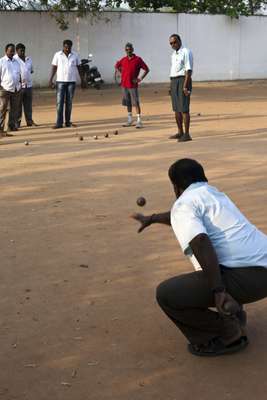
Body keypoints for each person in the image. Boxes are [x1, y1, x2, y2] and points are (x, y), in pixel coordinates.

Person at [132, 158, 267, 357]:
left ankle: (228, 333)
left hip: (250, 278)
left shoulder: (184, 204)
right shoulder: (214, 195)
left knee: (167, 294)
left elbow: (200, 241)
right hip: (259, 269)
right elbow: (180, 216)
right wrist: (152, 219)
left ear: (176, 187)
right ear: (203, 177)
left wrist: (219, 291)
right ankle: (235, 315)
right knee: (221, 265)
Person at [49, 39, 84, 129]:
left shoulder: (75, 55)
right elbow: (54, 67)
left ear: (71, 47)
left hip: (71, 82)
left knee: (69, 103)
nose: (67, 48)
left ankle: (68, 122)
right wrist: (50, 79)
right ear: (63, 46)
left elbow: (79, 68)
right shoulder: (57, 55)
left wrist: (83, 80)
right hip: (60, 81)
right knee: (59, 102)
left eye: (69, 47)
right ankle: (59, 123)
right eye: (65, 46)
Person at [115, 43, 149, 129]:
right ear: (125, 50)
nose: (128, 51)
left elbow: (146, 69)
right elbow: (117, 66)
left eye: (129, 49)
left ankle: (139, 121)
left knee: (136, 102)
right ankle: (130, 120)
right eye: (126, 50)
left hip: (133, 85)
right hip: (124, 85)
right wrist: (121, 72)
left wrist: (140, 78)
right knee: (128, 103)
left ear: (132, 49)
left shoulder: (138, 59)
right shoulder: (123, 60)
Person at [169, 34, 193, 142]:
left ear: (179, 41)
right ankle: (180, 132)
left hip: (183, 80)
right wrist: (171, 86)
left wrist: (185, 86)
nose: (173, 45)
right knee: (176, 109)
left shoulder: (186, 52)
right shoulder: (173, 54)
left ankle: (187, 134)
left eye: (174, 42)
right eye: (171, 43)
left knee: (184, 109)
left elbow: (188, 70)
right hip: (174, 81)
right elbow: (173, 70)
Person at [0, 43, 21, 136]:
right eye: (10, 51)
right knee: (2, 109)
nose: (12, 53)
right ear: (6, 51)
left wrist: (19, 84)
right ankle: (0, 129)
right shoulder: (1, 61)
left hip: (16, 89)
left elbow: (18, 74)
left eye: (13, 51)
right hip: (5, 88)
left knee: (14, 109)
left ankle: (11, 126)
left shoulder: (16, 62)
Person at [14, 43, 36, 127]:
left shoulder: (29, 59)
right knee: (18, 106)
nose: (22, 52)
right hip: (19, 87)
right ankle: (17, 123)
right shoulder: (14, 60)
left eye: (23, 50)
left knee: (28, 106)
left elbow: (31, 71)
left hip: (29, 86)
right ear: (17, 51)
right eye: (20, 51)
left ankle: (29, 121)